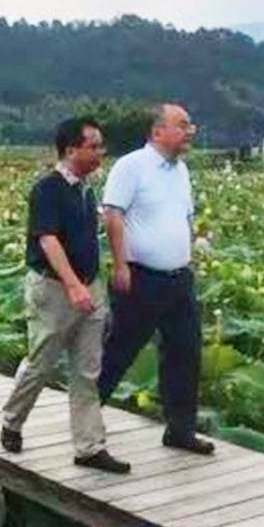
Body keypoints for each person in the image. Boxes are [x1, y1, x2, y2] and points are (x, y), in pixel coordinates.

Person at [0, 118, 129, 473]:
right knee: (42, 362)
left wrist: (94, 284)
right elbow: (48, 240)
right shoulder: (48, 189)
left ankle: (89, 447)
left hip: (91, 287)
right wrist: (73, 285)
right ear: (71, 150)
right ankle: (12, 419)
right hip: (54, 289)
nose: (100, 152)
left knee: (87, 371)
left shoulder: (87, 190)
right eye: (94, 146)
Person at [98, 103, 214, 455]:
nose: (189, 132)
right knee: (119, 350)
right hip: (140, 277)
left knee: (185, 353)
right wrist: (120, 265)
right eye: (182, 125)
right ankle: (85, 420)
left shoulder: (181, 171)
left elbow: (185, 218)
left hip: (179, 279)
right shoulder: (131, 166)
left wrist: (189, 254)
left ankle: (180, 430)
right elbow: (113, 215)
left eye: (190, 125)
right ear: (158, 131)